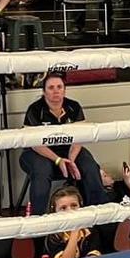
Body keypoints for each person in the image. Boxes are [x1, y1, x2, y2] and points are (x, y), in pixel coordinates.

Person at [19, 73, 109, 214]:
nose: (56, 91)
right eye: (51, 87)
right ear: (44, 92)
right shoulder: (35, 110)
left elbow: (80, 137)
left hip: (68, 150)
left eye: (59, 87)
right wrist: (58, 160)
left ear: (64, 90)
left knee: (90, 167)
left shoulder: (74, 107)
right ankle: (39, 223)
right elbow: (35, 144)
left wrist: (71, 160)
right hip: (38, 152)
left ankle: (97, 216)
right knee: (42, 170)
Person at [43, 186, 110, 258]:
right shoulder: (53, 237)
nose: (70, 211)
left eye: (74, 206)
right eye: (63, 208)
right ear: (54, 211)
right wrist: (75, 229)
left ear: (81, 206)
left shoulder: (90, 231)